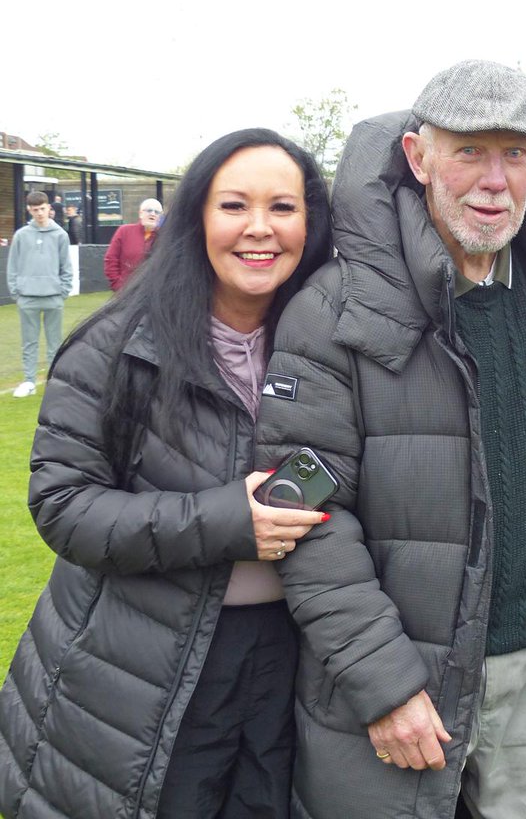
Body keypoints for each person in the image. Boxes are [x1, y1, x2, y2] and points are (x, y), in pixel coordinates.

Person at [253, 60, 526, 818]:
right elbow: (304, 518)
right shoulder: (333, 311)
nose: (494, 180)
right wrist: (384, 685)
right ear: (418, 157)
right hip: (403, 680)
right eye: (468, 151)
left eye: (514, 153)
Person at [0, 129, 332, 818]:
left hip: (288, 662)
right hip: (143, 664)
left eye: (283, 207)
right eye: (234, 205)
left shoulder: (330, 347)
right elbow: (64, 505)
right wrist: (226, 521)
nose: (260, 228)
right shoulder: (118, 345)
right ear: (196, 218)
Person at [7, 190, 72, 398]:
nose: (40, 213)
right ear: (29, 210)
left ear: (49, 208)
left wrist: (62, 292)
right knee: (29, 343)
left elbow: (66, 267)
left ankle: (53, 381)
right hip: (27, 298)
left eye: (43, 209)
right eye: (35, 210)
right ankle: (29, 381)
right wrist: (17, 294)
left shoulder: (60, 235)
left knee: (54, 343)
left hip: (53, 297)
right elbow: (12, 267)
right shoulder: (21, 235)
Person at [104, 197, 163, 290]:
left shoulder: (164, 236)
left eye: (157, 212)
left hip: (153, 291)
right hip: (126, 291)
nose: (153, 214)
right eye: (149, 210)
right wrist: (118, 285)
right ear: (140, 213)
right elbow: (111, 259)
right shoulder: (124, 231)